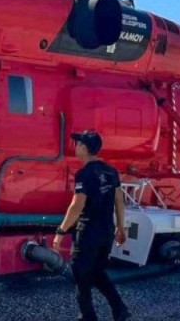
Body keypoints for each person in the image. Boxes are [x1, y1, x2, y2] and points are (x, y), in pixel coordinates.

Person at [53, 130, 132, 321]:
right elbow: (119, 201)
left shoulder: (84, 174)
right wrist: (120, 228)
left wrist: (60, 231)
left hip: (88, 232)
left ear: (85, 148)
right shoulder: (111, 171)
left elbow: (77, 205)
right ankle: (120, 310)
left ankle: (88, 316)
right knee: (97, 272)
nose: (76, 146)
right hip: (106, 232)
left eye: (79, 143)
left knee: (81, 274)